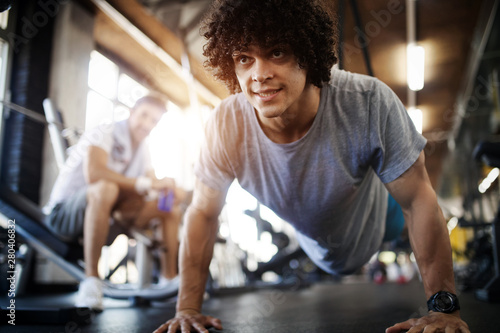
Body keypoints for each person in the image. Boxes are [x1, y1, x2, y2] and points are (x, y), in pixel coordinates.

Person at [154, 0, 470, 332]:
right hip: (315, 241)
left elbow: (417, 200)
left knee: (404, 201)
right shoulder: (225, 125)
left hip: (377, 217)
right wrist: (187, 308)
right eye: (244, 58)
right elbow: (203, 213)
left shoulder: (368, 101)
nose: (259, 74)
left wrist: (443, 308)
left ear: (309, 55)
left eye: (277, 53)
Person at [45, 94, 182, 311]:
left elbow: (150, 185)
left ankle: (169, 280)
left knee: (169, 209)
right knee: (105, 187)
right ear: (131, 112)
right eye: (144, 115)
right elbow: (94, 174)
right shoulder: (105, 131)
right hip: (63, 217)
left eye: (154, 121)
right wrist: (146, 184)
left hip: (106, 217)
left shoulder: (144, 148)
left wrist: (167, 187)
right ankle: (91, 282)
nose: (147, 124)